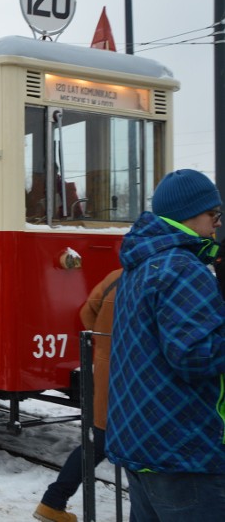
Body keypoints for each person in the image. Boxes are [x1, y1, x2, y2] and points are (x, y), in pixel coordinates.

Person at [107, 168, 225, 521]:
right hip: (184, 450)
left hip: (144, 440)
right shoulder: (182, 267)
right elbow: (194, 355)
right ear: (191, 215)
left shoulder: (141, 264)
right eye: (213, 215)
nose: (216, 224)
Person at [34, 268, 122, 522]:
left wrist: (104, 345)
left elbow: (87, 312)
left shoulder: (114, 277)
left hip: (107, 373)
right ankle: (52, 502)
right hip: (138, 383)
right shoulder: (166, 278)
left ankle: (53, 502)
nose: (217, 224)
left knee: (98, 442)